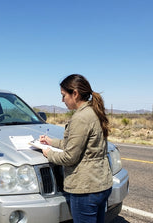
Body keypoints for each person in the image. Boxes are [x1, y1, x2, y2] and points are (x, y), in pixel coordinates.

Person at [39, 74, 113, 223]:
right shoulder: (93, 112)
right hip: (101, 183)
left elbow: (69, 157)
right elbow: (79, 145)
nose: (62, 100)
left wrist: (49, 153)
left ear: (75, 94)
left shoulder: (81, 117)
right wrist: (50, 141)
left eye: (64, 95)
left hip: (86, 188)